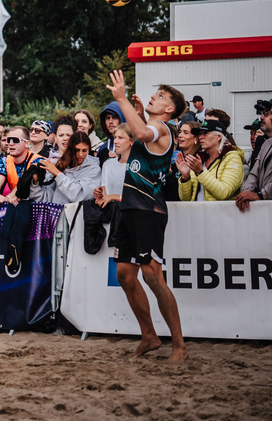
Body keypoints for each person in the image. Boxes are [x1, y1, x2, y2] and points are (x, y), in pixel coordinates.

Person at [103, 70, 187, 362]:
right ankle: (149, 336)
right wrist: (136, 111)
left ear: (170, 109)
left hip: (148, 209)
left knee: (152, 276)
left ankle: (179, 345)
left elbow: (140, 133)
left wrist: (122, 98)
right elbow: (138, 131)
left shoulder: (164, 129)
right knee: (125, 275)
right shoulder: (152, 125)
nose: (154, 96)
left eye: (161, 96)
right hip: (130, 206)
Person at [176, 120, 244, 202]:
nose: (201, 137)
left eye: (206, 133)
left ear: (219, 137)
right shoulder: (200, 159)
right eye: (200, 134)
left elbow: (224, 193)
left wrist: (201, 172)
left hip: (219, 213)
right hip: (198, 213)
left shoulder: (232, 158)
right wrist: (186, 177)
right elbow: (185, 199)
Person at [0, 126, 47, 202]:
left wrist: (7, 198)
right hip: (16, 204)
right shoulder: (4, 160)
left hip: (37, 205)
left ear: (27, 143)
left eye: (15, 140)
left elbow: (24, 183)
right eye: (9, 140)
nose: (10, 144)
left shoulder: (38, 160)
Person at [37, 132, 101, 204]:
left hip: (80, 214)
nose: (80, 154)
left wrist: (58, 174)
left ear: (89, 150)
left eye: (84, 150)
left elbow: (79, 195)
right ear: (71, 149)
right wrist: (35, 182)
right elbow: (46, 197)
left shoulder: (94, 169)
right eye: (77, 150)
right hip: (56, 213)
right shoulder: (61, 165)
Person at [237, 99, 272, 212]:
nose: (261, 117)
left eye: (266, 114)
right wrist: (245, 193)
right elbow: (254, 173)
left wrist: (261, 195)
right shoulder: (266, 144)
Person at [95, 123, 133, 208]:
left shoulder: (138, 167)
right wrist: (99, 195)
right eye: (115, 137)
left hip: (131, 214)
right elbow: (104, 192)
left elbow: (139, 197)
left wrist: (113, 197)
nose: (115, 141)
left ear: (131, 141)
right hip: (110, 214)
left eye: (121, 138)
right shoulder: (107, 164)